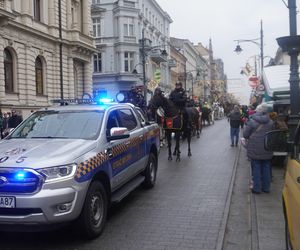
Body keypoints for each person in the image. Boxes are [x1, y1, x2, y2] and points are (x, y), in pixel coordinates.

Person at [243, 103, 274, 194]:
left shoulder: (252, 121)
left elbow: (245, 135)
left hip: (255, 148)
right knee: (266, 167)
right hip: (267, 147)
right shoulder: (271, 122)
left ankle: (257, 189)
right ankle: (266, 188)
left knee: (256, 167)